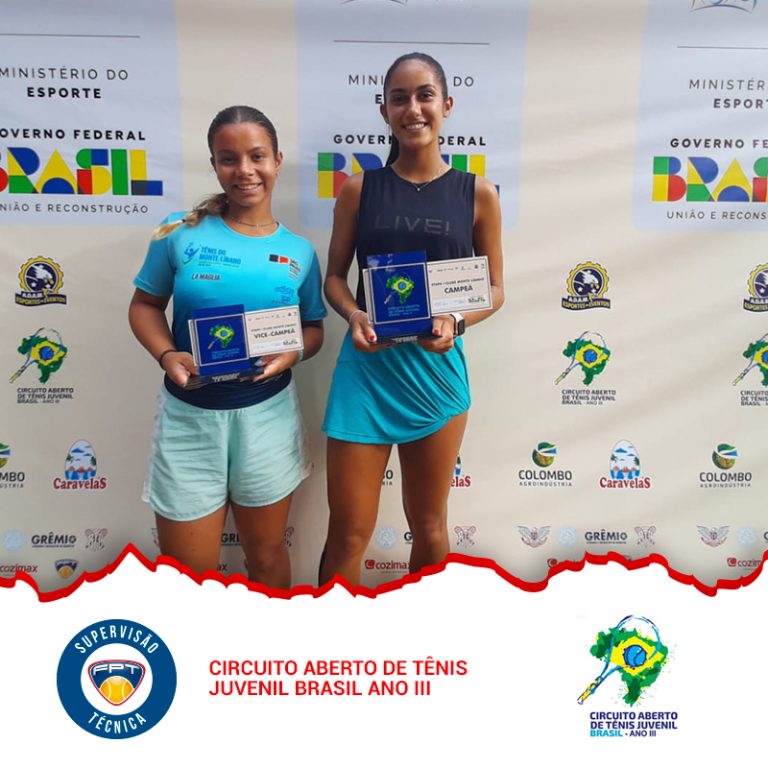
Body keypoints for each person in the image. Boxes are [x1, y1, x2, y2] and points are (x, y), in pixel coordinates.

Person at [320, 53, 504, 585]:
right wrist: (354, 313)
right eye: (399, 98)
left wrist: (457, 321)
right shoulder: (359, 188)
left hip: (435, 375)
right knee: (347, 535)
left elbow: (494, 290)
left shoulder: (478, 193)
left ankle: (424, 625)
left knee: (428, 525)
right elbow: (335, 278)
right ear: (384, 110)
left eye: (425, 95)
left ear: (447, 104)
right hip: (366, 374)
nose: (413, 108)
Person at [129, 105, 326, 589]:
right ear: (215, 165)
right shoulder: (180, 232)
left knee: (267, 558)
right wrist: (167, 354)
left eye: (257, 156)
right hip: (190, 418)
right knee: (187, 578)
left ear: (277, 160)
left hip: (267, 417)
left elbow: (313, 329)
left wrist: (293, 353)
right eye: (229, 159)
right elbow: (144, 306)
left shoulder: (299, 252)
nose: (245, 170)